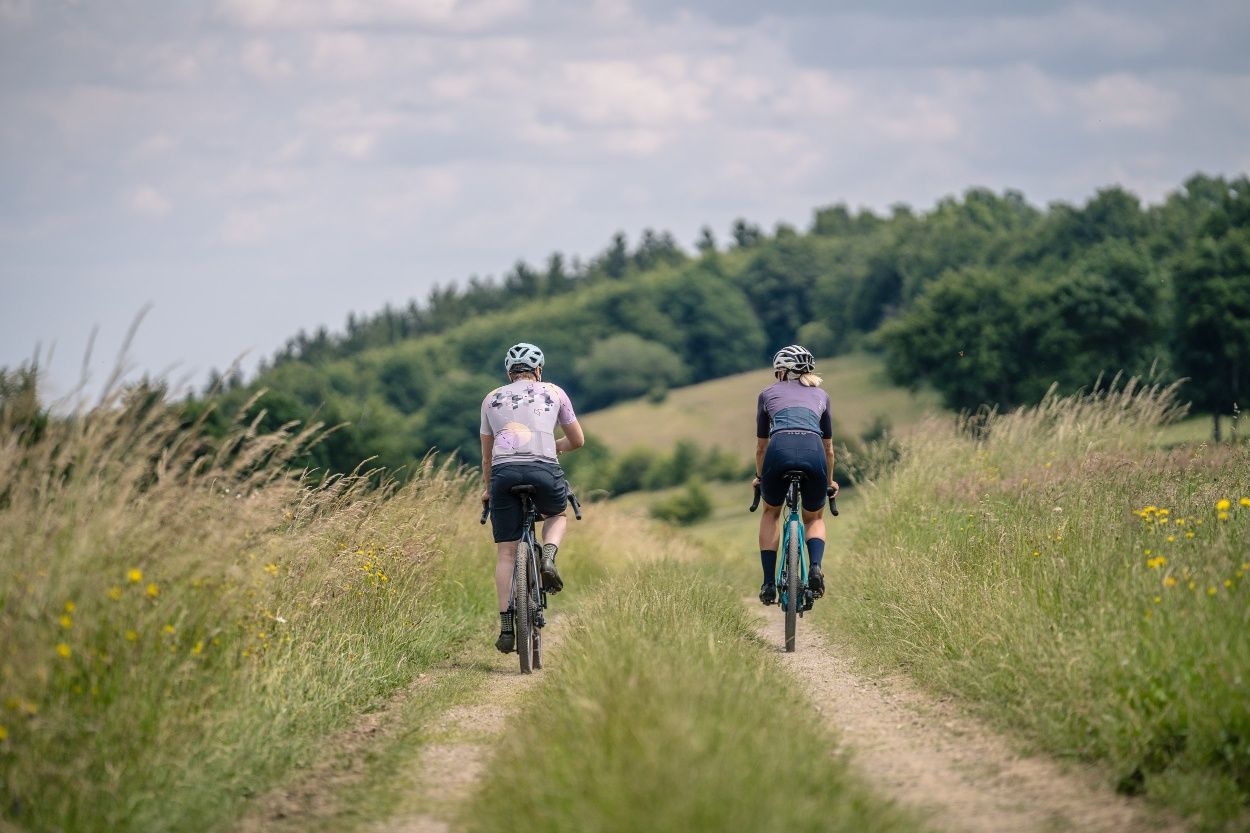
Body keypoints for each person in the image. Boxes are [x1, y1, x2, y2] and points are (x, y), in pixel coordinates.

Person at [480, 342, 584, 653]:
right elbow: (578, 440)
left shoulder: (491, 399)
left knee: (506, 553)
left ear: (509, 373)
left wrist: (488, 490)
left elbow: (487, 457)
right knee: (556, 515)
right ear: (538, 370)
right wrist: (554, 446)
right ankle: (548, 557)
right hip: (544, 469)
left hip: (503, 474)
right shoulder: (554, 392)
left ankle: (506, 627)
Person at [752, 344, 839, 605]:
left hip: (778, 451)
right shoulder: (822, 395)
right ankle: (815, 567)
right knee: (813, 517)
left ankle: (768, 583)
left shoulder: (767, 394)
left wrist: (760, 477)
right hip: (814, 451)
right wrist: (829, 482)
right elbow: (829, 448)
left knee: (771, 512)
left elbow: (761, 447)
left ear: (782, 371)